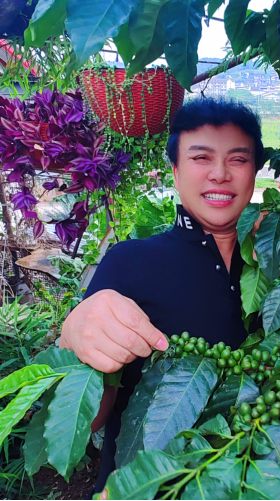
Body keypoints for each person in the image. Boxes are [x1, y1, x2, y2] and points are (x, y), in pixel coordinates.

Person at [59, 97, 265, 491]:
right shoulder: (129, 262)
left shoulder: (278, 268)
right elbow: (90, 421)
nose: (220, 174)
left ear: (254, 171)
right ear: (175, 171)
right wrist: (74, 340)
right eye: (201, 158)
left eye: (238, 160)